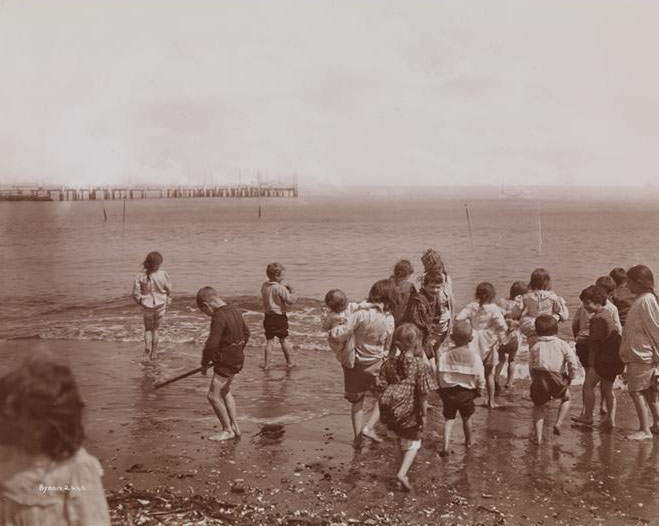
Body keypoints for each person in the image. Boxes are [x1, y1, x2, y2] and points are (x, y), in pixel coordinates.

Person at [0, 352, 110, 525]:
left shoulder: (75, 469)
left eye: (9, 416)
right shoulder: (6, 457)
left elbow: (93, 520)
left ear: (42, 426)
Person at [332, 279, 396, 445]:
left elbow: (343, 333)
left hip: (356, 363)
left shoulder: (360, 314)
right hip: (376, 362)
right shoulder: (389, 318)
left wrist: (334, 332)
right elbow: (388, 344)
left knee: (357, 401)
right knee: (384, 397)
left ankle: (357, 438)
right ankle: (369, 427)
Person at [377, 323, 437, 491]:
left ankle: (399, 474)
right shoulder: (419, 365)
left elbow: (381, 384)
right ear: (416, 343)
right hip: (409, 411)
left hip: (391, 409)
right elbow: (424, 394)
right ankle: (402, 474)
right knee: (413, 443)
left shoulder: (389, 362)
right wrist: (424, 415)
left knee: (399, 441)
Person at [197, 286, 250, 441]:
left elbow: (212, 344)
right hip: (237, 358)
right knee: (225, 390)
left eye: (204, 311)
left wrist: (204, 363)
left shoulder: (219, 316)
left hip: (226, 361)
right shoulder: (235, 310)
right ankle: (235, 426)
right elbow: (247, 334)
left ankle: (227, 430)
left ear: (206, 305)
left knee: (212, 396)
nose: (207, 315)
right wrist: (237, 349)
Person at [572, 286, 623, 428]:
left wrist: (592, 363)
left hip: (603, 359)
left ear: (597, 301)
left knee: (588, 385)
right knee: (608, 390)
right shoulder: (607, 313)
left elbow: (595, 344)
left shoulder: (597, 319)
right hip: (613, 358)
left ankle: (588, 416)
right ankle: (610, 419)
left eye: (587, 303)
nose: (584, 306)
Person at [619, 265, 659, 440]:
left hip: (641, 354)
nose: (627, 286)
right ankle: (656, 423)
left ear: (639, 282)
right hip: (641, 354)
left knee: (636, 391)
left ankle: (645, 430)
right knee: (649, 392)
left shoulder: (646, 300)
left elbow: (655, 328)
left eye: (629, 282)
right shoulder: (644, 299)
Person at [436, 320, 485, 457]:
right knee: (467, 418)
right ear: (471, 338)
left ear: (452, 338)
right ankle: (468, 441)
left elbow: (439, 373)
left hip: (449, 392)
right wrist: (480, 390)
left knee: (449, 420)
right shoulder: (474, 357)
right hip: (466, 393)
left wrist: (441, 389)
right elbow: (480, 376)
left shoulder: (445, 356)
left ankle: (445, 447)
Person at [455, 282, 507, 408]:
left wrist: (469, 325)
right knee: (489, 373)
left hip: (473, 341)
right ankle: (491, 401)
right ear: (492, 295)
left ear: (477, 294)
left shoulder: (472, 306)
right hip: (488, 341)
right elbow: (502, 325)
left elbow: (458, 318)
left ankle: (469, 399)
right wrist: (495, 330)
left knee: (471, 371)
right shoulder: (494, 308)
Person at [529, 315, 579, 444]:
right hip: (556, 377)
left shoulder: (535, 346)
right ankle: (558, 423)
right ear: (556, 329)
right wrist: (571, 376)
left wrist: (534, 379)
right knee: (566, 398)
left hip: (539, 378)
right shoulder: (562, 344)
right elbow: (572, 362)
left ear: (537, 330)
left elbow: (531, 366)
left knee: (539, 407)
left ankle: (538, 437)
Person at [132, 251, 172, 360]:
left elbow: (135, 293)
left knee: (148, 329)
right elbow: (169, 289)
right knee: (156, 329)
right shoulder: (163, 274)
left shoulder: (140, 276)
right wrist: (167, 297)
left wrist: (140, 301)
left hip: (147, 305)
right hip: (160, 305)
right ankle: (154, 353)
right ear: (158, 264)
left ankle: (147, 347)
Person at [404, 269, 445, 366]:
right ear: (424, 286)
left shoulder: (435, 298)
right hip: (417, 336)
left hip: (427, 336)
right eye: (432, 287)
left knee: (432, 363)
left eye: (438, 287)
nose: (435, 290)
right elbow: (417, 323)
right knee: (426, 365)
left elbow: (437, 316)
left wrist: (433, 331)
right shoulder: (418, 301)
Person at [519, 268, 569, 348]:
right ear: (547, 282)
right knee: (548, 346)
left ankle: (534, 358)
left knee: (533, 347)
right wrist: (558, 317)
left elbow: (517, 313)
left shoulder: (526, 297)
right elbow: (561, 313)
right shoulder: (552, 297)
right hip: (547, 325)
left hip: (531, 325)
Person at [261, 262, 296, 370]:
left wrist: (283, 289)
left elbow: (273, 293)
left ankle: (267, 365)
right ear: (277, 276)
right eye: (283, 275)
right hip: (279, 317)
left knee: (269, 341)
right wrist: (292, 291)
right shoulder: (280, 288)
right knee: (283, 340)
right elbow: (290, 301)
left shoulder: (264, 286)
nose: (284, 277)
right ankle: (289, 362)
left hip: (268, 317)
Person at [495, 281, 527, 391]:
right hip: (514, 337)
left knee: (501, 360)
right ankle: (509, 383)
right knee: (512, 360)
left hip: (501, 337)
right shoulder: (521, 306)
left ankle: (495, 379)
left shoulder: (501, 302)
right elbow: (522, 321)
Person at [419, 249, 454, 346]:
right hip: (446, 316)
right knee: (437, 345)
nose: (424, 266)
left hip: (435, 317)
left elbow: (423, 297)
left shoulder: (426, 277)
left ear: (430, 263)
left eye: (424, 264)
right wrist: (452, 319)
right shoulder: (446, 277)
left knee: (429, 344)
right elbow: (451, 300)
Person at [322, 289, 358, 368]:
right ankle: (346, 361)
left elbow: (362, 311)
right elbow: (325, 328)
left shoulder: (352, 307)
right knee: (344, 352)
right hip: (339, 340)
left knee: (350, 349)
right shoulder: (331, 316)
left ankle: (348, 361)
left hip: (349, 335)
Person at [390, 260, 416, 327]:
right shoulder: (410, 286)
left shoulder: (388, 283)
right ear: (407, 274)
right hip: (404, 316)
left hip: (390, 316)